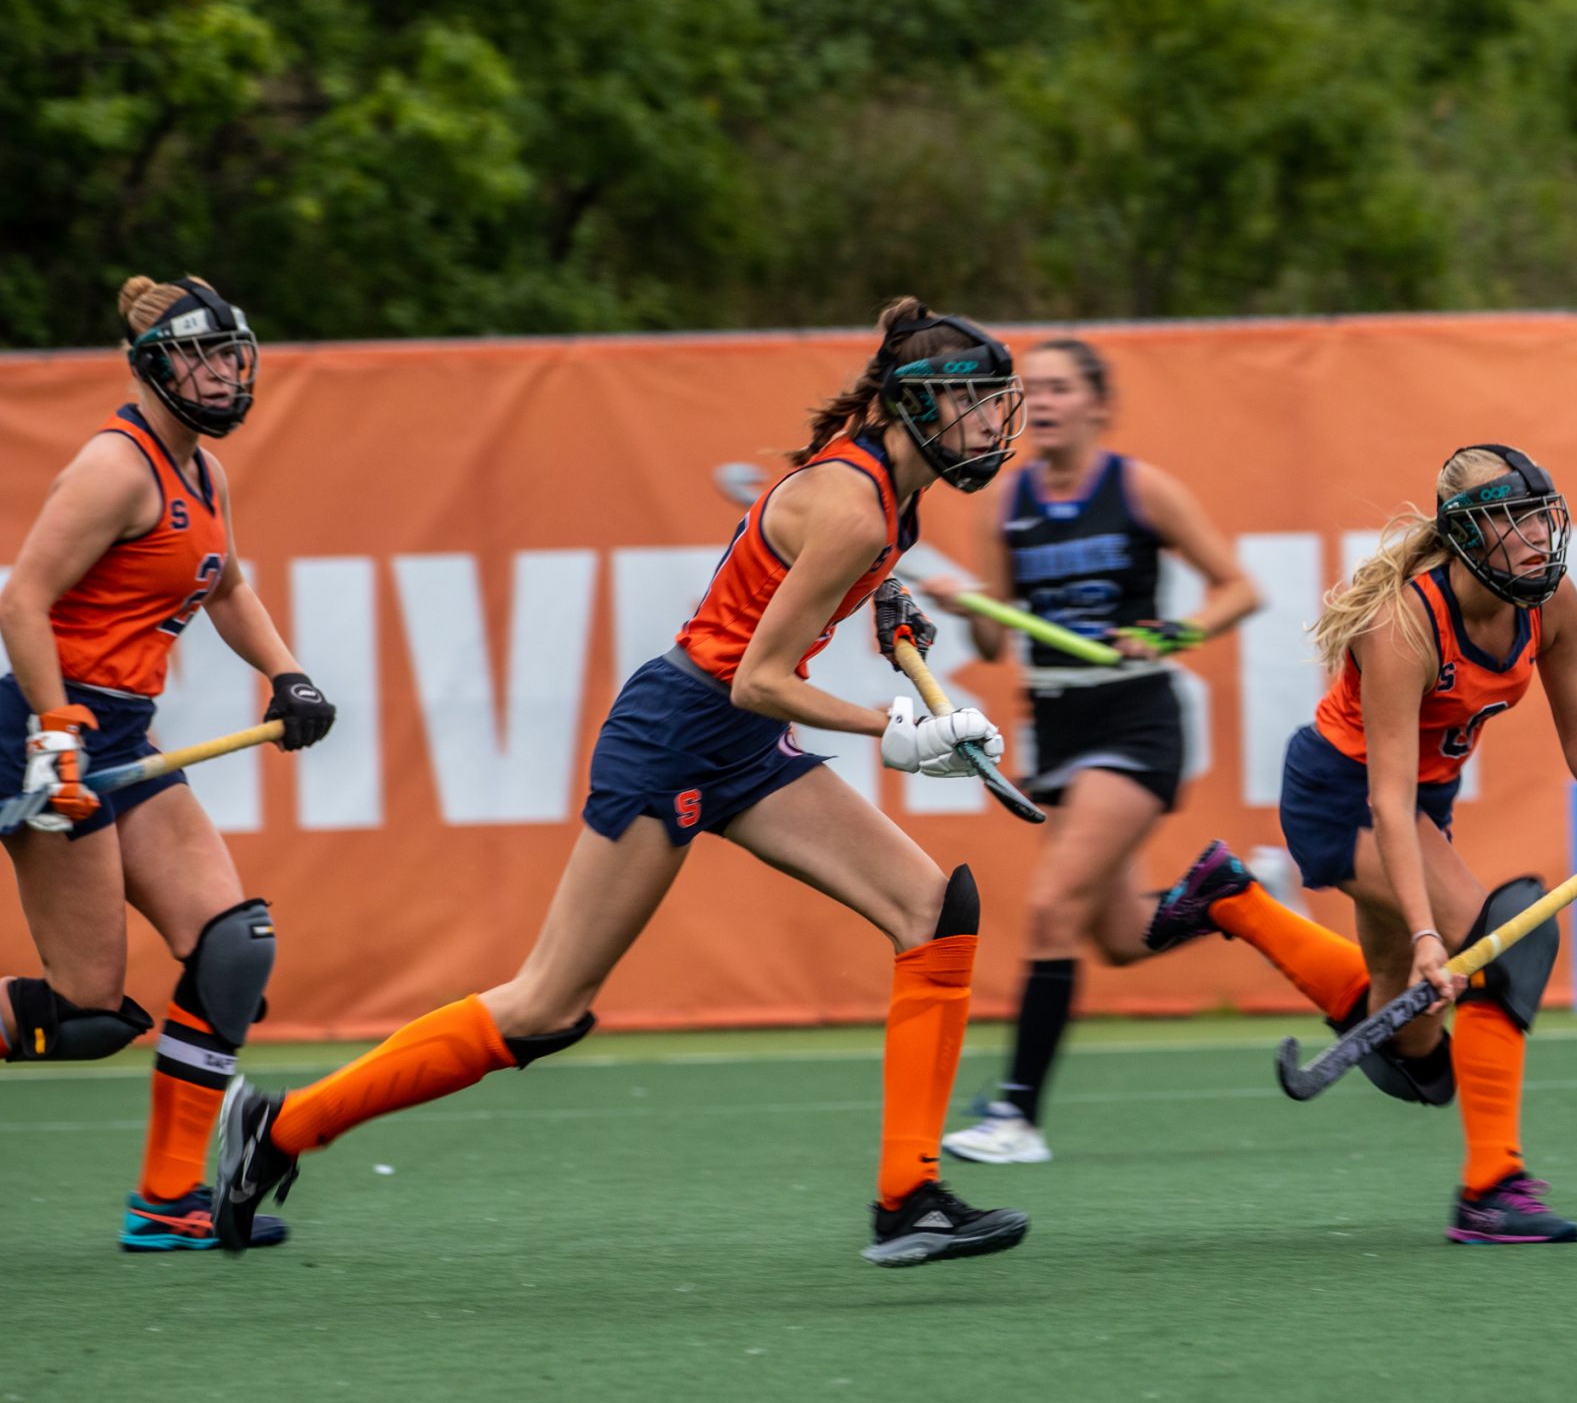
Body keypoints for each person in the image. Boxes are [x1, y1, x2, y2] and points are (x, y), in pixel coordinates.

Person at [214, 299, 1032, 1267]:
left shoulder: (888, 497)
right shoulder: (857, 506)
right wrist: (899, 729)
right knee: (547, 1004)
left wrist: (883, 600)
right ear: (918, 407)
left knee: (937, 912)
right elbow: (757, 674)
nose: (992, 424)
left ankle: (909, 1199)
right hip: (682, 731)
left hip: (738, 740)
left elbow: (794, 589)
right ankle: (279, 1129)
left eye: (993, 403)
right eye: (976, 403)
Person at [1148, 445, 1577, 1243]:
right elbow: (1385, 801)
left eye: (1539, 516)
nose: (1534, 536)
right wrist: (1430, 935)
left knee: (1416, 1058)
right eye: (1509, 520)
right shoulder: (1402, 625)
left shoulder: (1552, 602)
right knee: (1501, 946)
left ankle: (1233, 898)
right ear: (1463, 534)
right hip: (1343, 794)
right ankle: (1491, 1189)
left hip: (1425, 799)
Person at [0, 274, 335, 1251]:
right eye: (201, 356)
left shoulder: (204, 473)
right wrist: (56, 732)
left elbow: (225, 585)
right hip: (43, 732)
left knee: (233, 951)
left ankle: (167, 1204)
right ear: (153, 368)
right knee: (88, 1014)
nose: (223, 374)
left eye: (232, 355)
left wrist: (288, 673)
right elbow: (22, 601)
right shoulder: (115, 469)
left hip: (121, 735)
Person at [923, 339, 1261, 1165]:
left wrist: (1170, 632)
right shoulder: (1003, 504)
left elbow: (1240, 587)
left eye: (1060, 388)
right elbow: (996, 643)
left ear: (1099, 403)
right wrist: (971, 605)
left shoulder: (1139, 488)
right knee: (1113, 935)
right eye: (1028, 390)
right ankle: (1234, 895)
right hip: (1057, 727)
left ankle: (1017, 1113)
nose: (1040, 402)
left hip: (1136, 721)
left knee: (1049, 909)